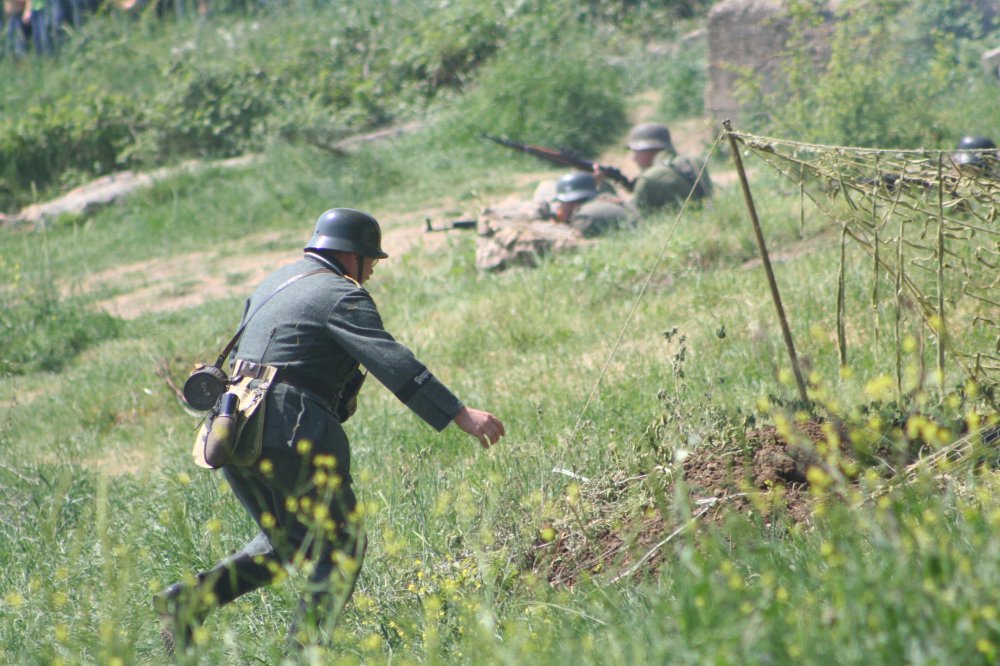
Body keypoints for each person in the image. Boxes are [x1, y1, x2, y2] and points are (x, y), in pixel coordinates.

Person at [154, 208, 506, 655]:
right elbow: (391, 360)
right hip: (289, 427)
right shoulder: (340, 295)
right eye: (370, 259)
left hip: (232, 428)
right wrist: (458, 412)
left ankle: (189, 602)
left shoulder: (274, 282)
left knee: (287, 541)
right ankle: (303, 653)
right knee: (342, 542)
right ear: (350, 254)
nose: (372, 270)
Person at [596, 122, 712, 213]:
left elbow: (631, 218)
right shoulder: (694, 161)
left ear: (647, 150)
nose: (634, 158)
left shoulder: (649, 179)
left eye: (636, 152)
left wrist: (603, 187)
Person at [551, 171, 637, 238]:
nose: (560, 207)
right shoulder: (608, 198)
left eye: (561, 203)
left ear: (571, 202)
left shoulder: (583, 216)